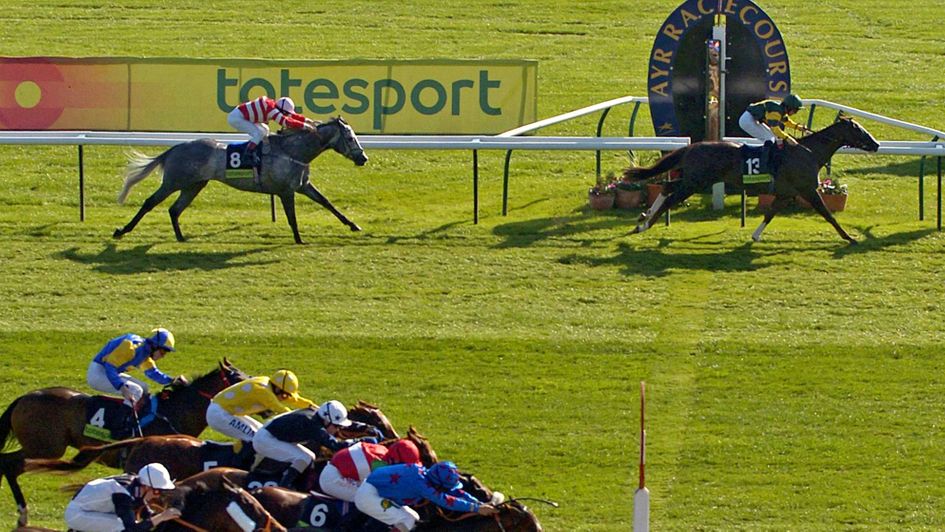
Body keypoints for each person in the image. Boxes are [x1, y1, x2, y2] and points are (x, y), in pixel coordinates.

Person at [252, 400, 384, 488]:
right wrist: (362, 441)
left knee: (307, 456)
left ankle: (291, 483)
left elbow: (344, 424)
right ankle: (284, 487)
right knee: (305, 457)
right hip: (265, 440)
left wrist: (366, 427)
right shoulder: (314, 426)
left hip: (272, 432)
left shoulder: (319, 416)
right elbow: (336, 445)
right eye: (336, 426)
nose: (338, 430)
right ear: (326, 421)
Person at [87, 328, 187, 436]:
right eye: (163, 352)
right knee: (135, 390)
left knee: (144, 387)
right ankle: (117, 428)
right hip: (98, 373)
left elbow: (153, 373)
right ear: (155, 346)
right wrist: (122, 387)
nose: (163, 356)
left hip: (109, 372)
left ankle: (132, 421)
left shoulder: (145, 352)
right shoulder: (131, 347)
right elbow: (109, 367)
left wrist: (173, 380)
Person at [206, 369, 317, 465]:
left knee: (261, 433)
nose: (285, 398)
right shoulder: (264, 392)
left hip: (225, 410)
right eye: (284, 395)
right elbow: (283, 411)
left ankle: (238, 455)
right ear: (277, 389)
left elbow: (295, 400)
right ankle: (236, 465)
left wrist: (316, 408)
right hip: (218, 414)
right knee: (257, 439)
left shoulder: (270, 384)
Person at [354, 460, 498, 531]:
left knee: (414, 519)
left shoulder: (428, 475)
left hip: (378, 491)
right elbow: (446, 500)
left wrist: (479, 504)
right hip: (368, 495)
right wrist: (476, 509)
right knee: (407, 522)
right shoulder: (421, 485)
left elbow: (455, 492)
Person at [64, 462, 181, 532]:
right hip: (78, 515)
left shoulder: (136, 486)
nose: (158, 495)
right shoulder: (123, 494)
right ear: (147, 487)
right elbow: (132, 529)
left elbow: (147, 517)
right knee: (121, 527)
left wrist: (166, 517)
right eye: (157, 491)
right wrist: (162, 517)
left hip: (91, 510)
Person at [319, 438, 422, 502]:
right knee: (370, 501)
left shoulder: (383, 452)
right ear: (396, 460)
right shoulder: (379, 465)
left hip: (336, 472)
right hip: (332, 480)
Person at [226, 95, 315, 167]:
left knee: (265, 130)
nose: (286, 115)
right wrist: (304, 125)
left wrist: (306, 120)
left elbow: (290, 117)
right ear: (281, 110)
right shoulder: (272, 110)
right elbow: (286, 122)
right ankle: (247, 155)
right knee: (258, 134)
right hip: (237, 118)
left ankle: (260, 151)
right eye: (285, 113)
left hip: (243, 116)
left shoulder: (274, 106)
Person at [739, 94, 812, 147]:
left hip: (751, 118)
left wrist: (798, 127)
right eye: (795, 110)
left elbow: (787, 122)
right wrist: (788, 138)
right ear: (789, 107)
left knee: (772, 138)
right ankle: (762, 161)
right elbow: (775, 129)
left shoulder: (781, 109)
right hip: (747, 120)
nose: (795, 113)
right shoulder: (776, 112)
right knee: (769, 139)